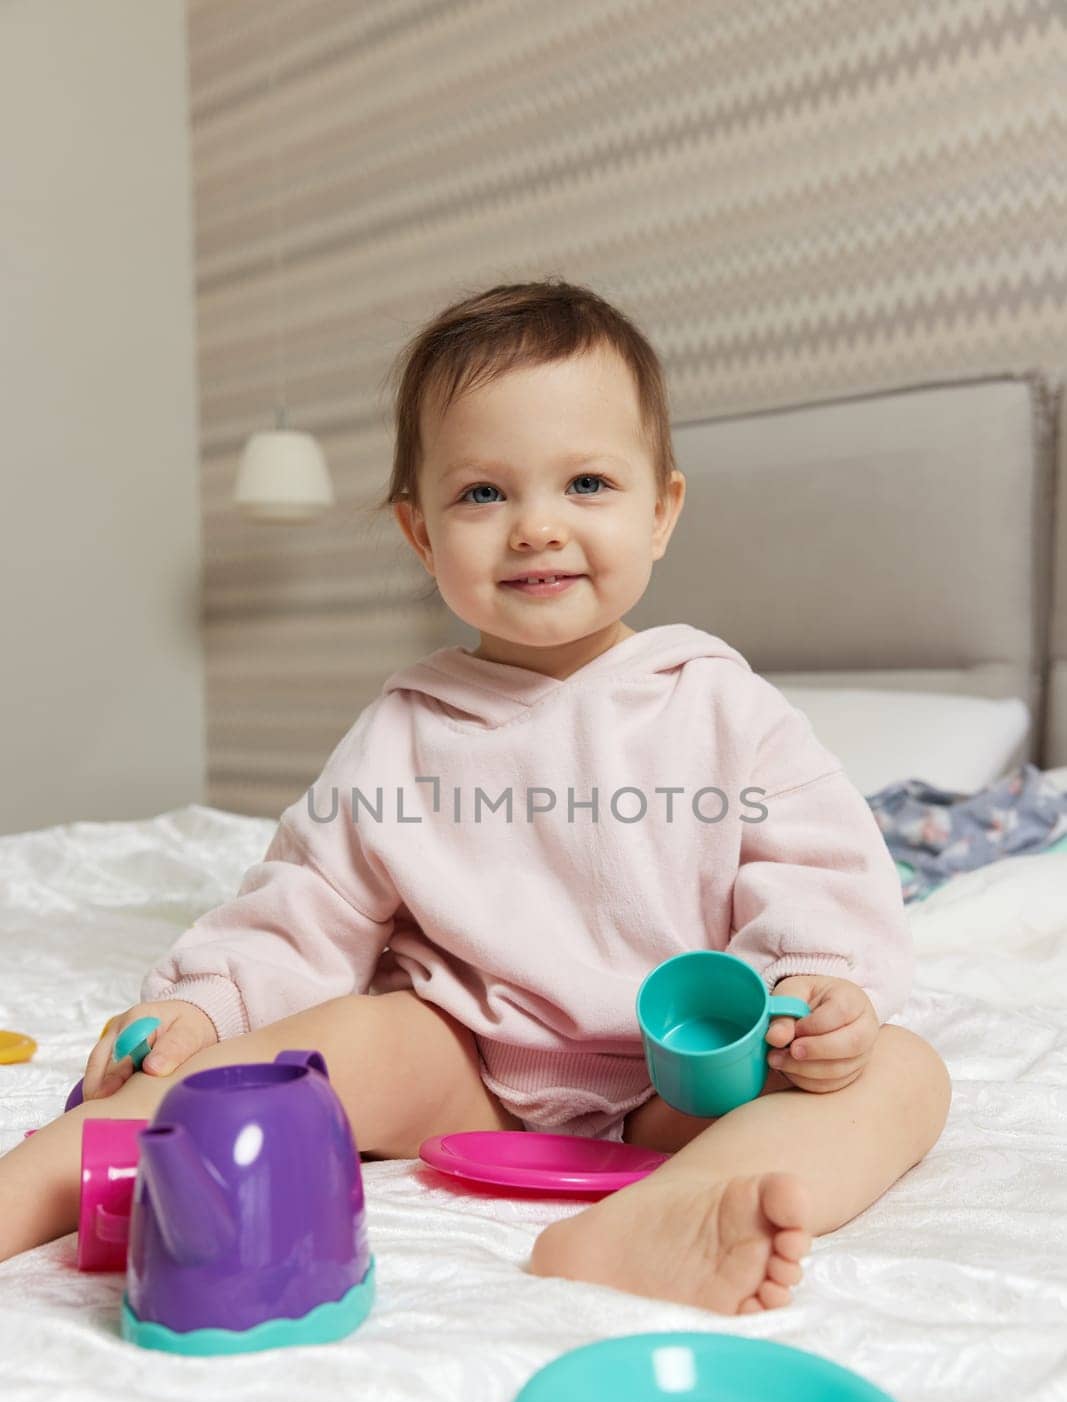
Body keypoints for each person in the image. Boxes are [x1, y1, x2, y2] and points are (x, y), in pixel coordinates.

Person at [0, 279, 951, 1312]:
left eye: (585, 482)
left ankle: (670, 1213)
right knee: (325, 1040)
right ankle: (42, 1177)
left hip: (679, 1088)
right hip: (464, 1062)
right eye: (483, 494)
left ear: (661, 510)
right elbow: (300, 907)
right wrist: (201, 1001)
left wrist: (813, 995)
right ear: (420, 535)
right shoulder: (405, 729)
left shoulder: (721, 704)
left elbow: (818, 875)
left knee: (900, 1074)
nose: (536, 527)